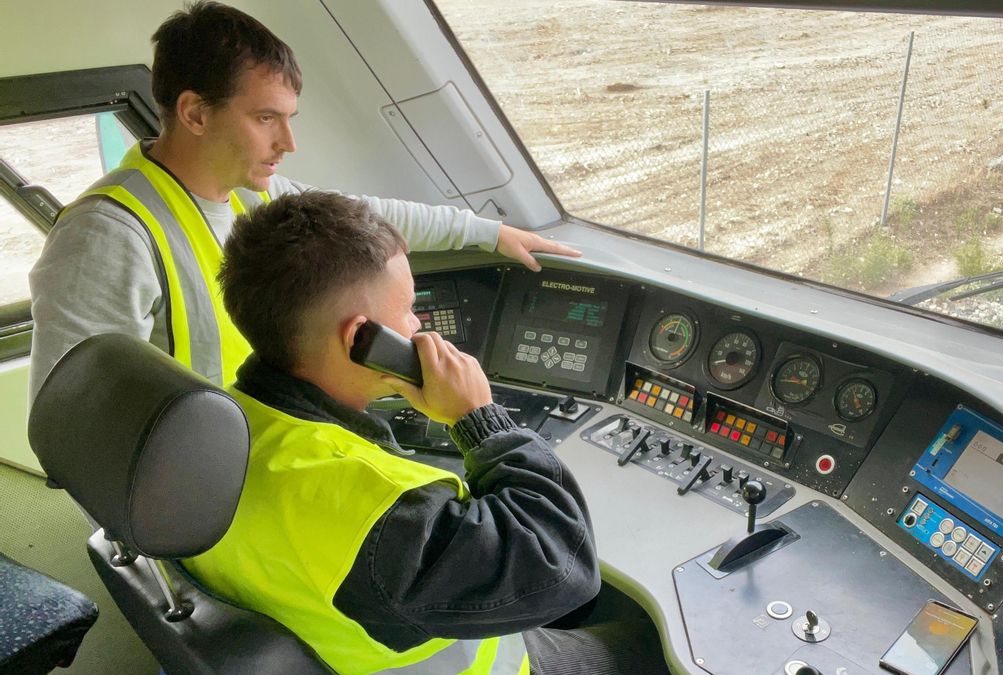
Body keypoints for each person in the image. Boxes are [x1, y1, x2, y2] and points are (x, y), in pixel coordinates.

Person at [182, 191, 667, 675]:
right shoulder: (376, 513)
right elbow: (564, 566)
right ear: (360, 340)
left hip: (338, 636)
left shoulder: (218, 433)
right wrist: (478, 419)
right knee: (649, 641)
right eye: (410, 309)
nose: (417, 325)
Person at [27, 1, 578, 400]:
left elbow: (368, 217)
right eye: (266, 118)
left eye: (289, 119)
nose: (288, 143)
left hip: (262, 451)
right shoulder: (106, 236)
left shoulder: (252, 197)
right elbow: (67, 418)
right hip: (197, 499)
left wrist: (490, 233)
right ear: (195, 113)